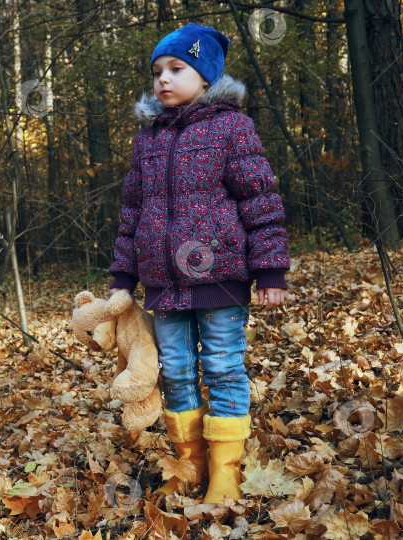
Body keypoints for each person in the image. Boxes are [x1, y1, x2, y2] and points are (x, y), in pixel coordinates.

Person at [108, 22, 290, 504]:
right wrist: (122, 277)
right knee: (175, 370)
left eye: (176, 68)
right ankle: (188, 460)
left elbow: (259, 199)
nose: (163, 79)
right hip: (162, 283)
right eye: (157, 72)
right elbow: (132, 213)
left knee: (224, 366)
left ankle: (226, 468)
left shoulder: (232, 127)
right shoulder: (147, 139)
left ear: (205, 77)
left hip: (222, 279)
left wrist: (271, 269)